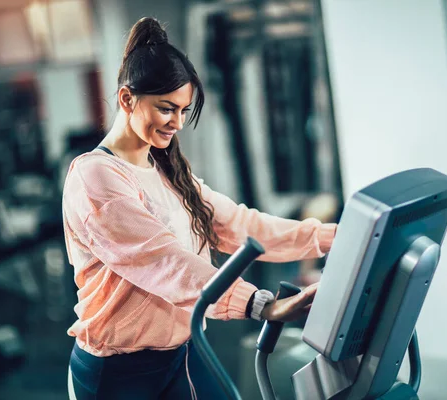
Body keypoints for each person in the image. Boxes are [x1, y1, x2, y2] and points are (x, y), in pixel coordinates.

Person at [63, 17, 337, 400]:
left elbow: (240, 224)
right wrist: (260, 304)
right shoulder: (95, 178)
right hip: (119, 372)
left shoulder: (165, 169)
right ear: (127, 99)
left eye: (182, 110)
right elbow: (163, 262)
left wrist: (337, 237)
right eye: (166, 108)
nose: (176, 122)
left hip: (183, 353)